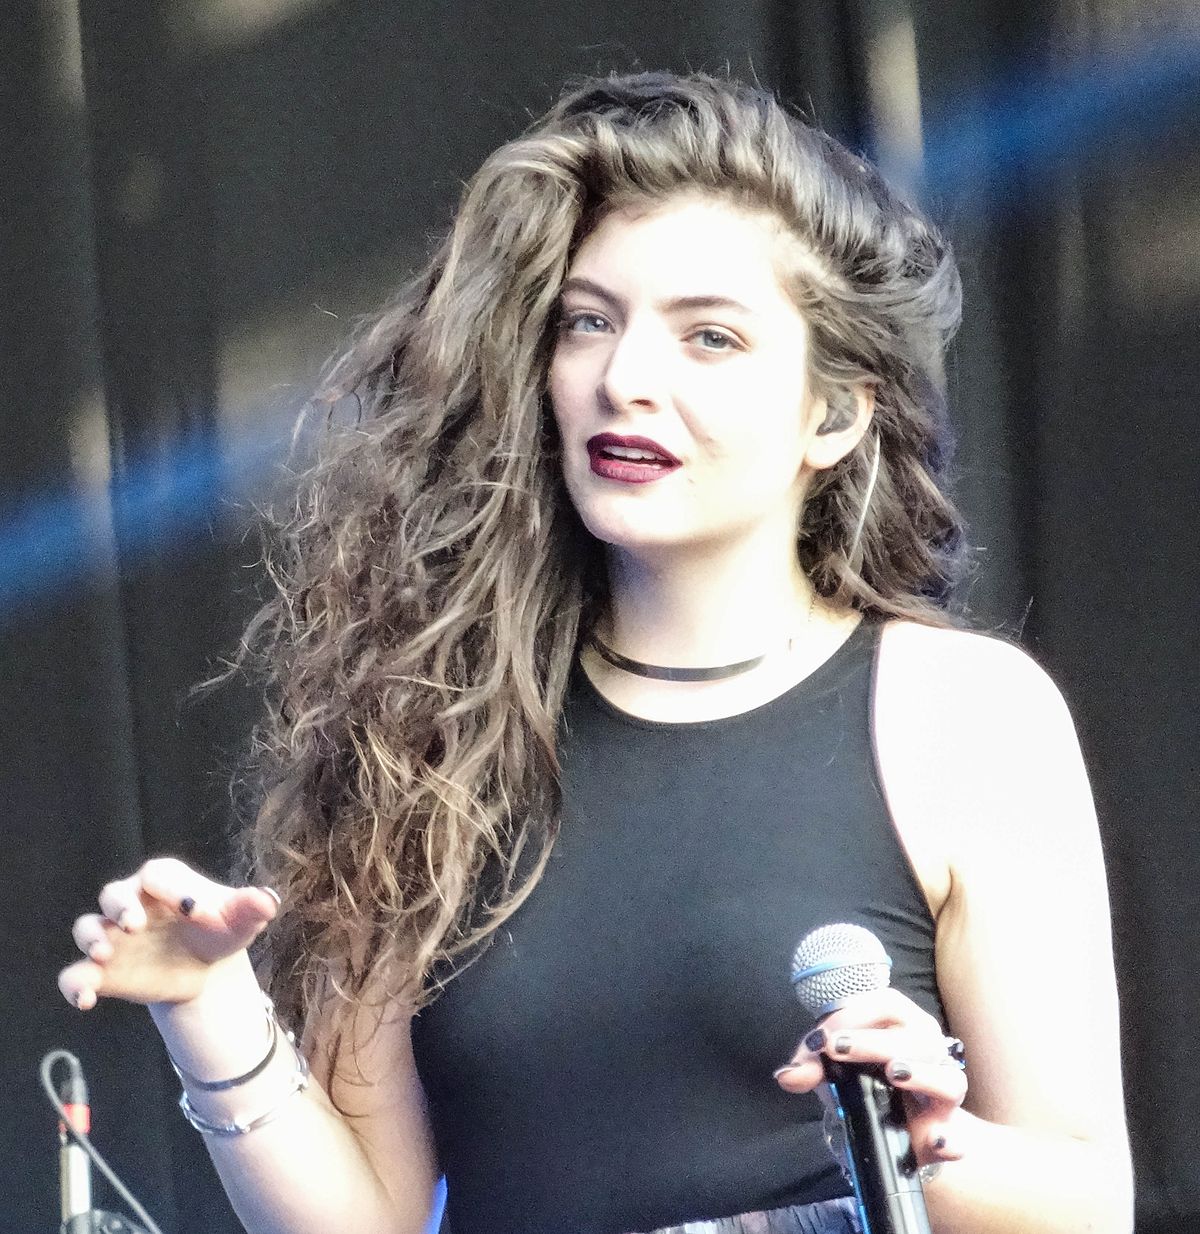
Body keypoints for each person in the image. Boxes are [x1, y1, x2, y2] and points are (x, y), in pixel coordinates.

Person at [58, 71, 1132, 1234]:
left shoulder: (962, 713)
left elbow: (1087, 1202)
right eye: (589, 322)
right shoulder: (428, 731)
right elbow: (368, 1221)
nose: (626, 380)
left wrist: (926, 1149)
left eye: (709, 337)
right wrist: (208, 1004)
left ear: (833, 415)